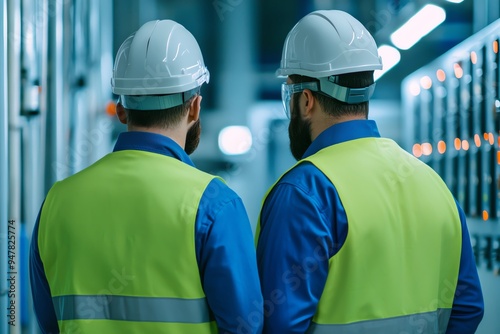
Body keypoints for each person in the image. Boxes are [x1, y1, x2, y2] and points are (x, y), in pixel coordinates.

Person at [255, 10, 484, 334]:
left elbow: (278, 325)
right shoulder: (434, 184)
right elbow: (468, 306)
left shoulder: (305, 192)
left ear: (306, 101)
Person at [30, 19, 263, 334]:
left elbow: (48, 323)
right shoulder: (213, 204)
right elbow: (244, 327)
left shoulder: (57, 201)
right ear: (194, 108)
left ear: (122, 110)